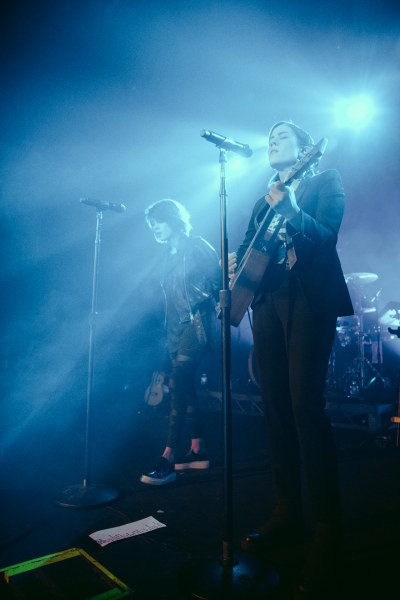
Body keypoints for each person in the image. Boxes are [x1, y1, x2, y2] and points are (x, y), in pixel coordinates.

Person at [229, 121, 353, 597]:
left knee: (306, 408)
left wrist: (295, 208)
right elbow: (246, 246)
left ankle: (328, 530)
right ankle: (288, 512)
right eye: (268, 137)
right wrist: (233, 266)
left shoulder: (326, 182)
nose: (271, 140)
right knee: (275, 409)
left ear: (306, 150)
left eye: (282, 135)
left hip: (308, 301)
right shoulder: (263, 199)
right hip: (267, 304)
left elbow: (325, 239)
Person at [140, 199, 221, 485]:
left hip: (197, 324)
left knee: (177, 382)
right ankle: (198, 450)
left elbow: (218, 282)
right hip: (174, 329)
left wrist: (213, 303)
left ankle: (168, 457)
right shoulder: (167, 255)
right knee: (186, 388)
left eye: (157, 222)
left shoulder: (197, 245)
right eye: (151, 225)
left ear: (172, 220)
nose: (155, 229)